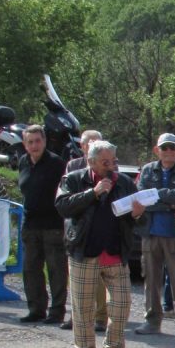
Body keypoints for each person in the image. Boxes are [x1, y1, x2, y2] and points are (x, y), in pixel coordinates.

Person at [56, 140, 145, 348]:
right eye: (105, 162)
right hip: (84, 253)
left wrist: (137, 215)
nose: (111, 167)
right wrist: (92, 193)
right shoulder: (74, 179)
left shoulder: (125, 182)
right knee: (83, 309)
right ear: (91, 162)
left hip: (115, 253)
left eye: (113, 161)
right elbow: (63, 207)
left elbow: (137, 219)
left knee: (122, 307)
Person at [134, 133, 175, 339]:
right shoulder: (148, 170)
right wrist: (168, 201)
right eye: (164, 148)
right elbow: (141, 197)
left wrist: (157, 195)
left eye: (172, 148)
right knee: (151, 279)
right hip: (150, 233)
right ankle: (152, 321)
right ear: (157, 150)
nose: (168, 151)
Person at [16, 124, 68, 324]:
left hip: (53, 225)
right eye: (30, 142)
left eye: (38, 141)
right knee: (30, 269)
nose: (34, 145)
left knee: (56, 269)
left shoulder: (56, 163)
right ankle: (36, 309)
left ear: (44, 141)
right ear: (25, 144)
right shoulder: (23, 162)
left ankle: (56, 312)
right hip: (30, 224)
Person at [63, 128, 107, 332]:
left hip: (100, 229)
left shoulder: (109, 169)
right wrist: (91, 195)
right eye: (89, 142)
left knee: (99, 278)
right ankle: (76, 316)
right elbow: (67, 201)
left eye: (97, 141)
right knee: (76, 278)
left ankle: (100, 316)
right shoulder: (73, 167)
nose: (93, 144)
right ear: (82, 146)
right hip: (78, 229)